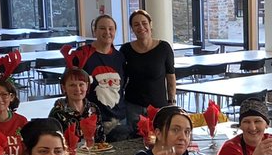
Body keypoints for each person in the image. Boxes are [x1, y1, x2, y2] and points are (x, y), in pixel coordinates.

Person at [120, 9, 177, 131]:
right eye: (136, 24)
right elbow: (121, 79)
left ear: (150, 25)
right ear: (132, 29)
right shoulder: (126, 50)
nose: (141, 27)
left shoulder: (164, 48)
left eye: (144, 23)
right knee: (134, 142)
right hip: (133, 106)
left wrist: (171, 102)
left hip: (159, 107)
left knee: (159, 139)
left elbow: (170, 77)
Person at [82, 13, 133, 141]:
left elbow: (123, 85)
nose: (107, 32)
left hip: (119, 120)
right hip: (92, 120)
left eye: (111, 28)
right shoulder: (83, 54)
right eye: (102, 28)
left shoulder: (120, 57)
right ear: (95, 31)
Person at [48, 66, 102, 141]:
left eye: (81, 84)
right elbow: (52, 140)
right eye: (72, 85)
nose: (77, 89)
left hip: (94, 151)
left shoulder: (93, 108)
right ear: (64, 88)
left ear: (87, 86)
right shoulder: (57, 112)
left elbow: (100, 137)